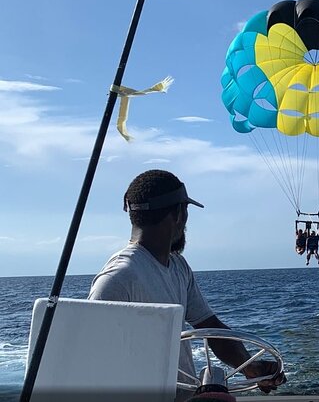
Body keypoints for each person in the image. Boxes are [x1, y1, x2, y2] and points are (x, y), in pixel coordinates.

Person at [88, 169, 285, 399]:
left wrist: (249, 367)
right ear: (179, 214)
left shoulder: (179, 267)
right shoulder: (118, 278)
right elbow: (95, 364)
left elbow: (210, 326)